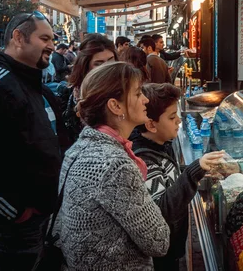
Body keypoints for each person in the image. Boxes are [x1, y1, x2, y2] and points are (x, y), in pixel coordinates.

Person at [53, 62, 170, 269]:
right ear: (115, 106)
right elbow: (159, 241)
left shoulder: (79, 148)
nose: (145, 99)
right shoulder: (116, 166)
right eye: (137, 94)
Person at [0, 11, 67, 270]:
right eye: (44, 38)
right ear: (18, 38)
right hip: (6, 230)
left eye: (53, 39)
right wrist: (14, 211)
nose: (52, 45)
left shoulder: (34, 85)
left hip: (38, 221)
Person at [131, 83, 225, 271]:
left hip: (172, 248)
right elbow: (162, 210)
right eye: (172, 117)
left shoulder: (161, 145)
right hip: (161, 256)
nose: (179, 122)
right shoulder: (144, 160)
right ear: (151, 125)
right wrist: (194, 171)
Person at [64, 34, 117, 143]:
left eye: (111, 61)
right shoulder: (76, 93)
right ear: (85, 66)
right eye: (98, 64)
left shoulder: (124, 87)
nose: (107, 67)